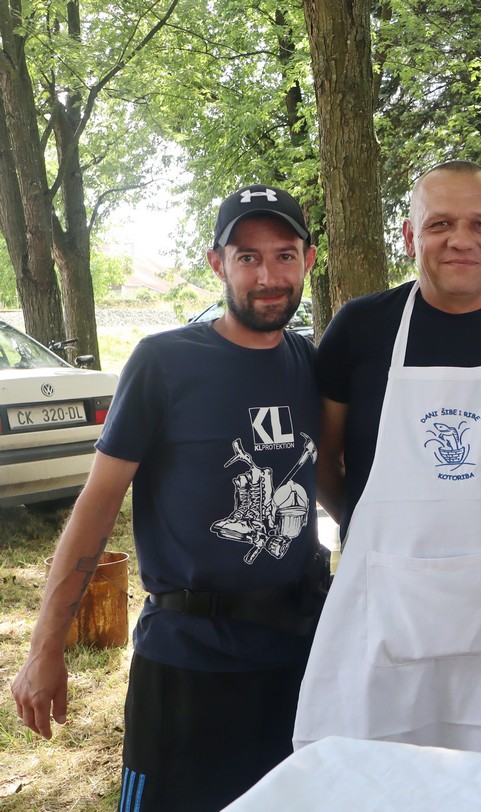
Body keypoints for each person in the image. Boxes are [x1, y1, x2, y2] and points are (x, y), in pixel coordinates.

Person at [11, 184, 324, 811]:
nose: (268, 276)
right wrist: (46, 647)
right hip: (188, 664)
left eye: (284, 256)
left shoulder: (310, 363)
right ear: (217, 263)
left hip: (298, 661)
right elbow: (98, 505)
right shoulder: (164, 363)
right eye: (248, 257)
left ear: (308, 261)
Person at [291, 161, 481, 759]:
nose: (461, 240)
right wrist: (377, 531)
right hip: (389, 608)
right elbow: (322, 458)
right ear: (409, 235)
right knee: (384, 777)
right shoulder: (361, 329)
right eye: (440, 224)